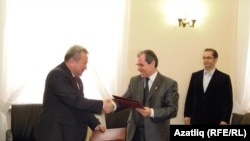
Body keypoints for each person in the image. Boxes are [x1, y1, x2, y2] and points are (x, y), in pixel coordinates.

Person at [34, 45, 114, 141]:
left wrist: (95, 124)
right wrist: (102, 105)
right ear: (72, 61)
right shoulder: (57, 75)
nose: (86, 67)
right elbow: (75, 101)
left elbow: (81, 106)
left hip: (71, 134)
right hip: (56, 134)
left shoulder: (78, 80)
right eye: (84, 63)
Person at [114, 49, 179, 141]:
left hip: (156, 135)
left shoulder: (169, 84)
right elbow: (125, 100)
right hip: (134, 134)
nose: (138, 68)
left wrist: (151, 112)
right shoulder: (134, 81)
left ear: (152, 63)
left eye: (141, 65)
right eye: (137, 65)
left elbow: (172, 110)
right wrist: (112, 105)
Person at [184, 48, 233, 125]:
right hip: (197, 118)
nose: (205, 60)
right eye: (204, 58)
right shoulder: (195, 76)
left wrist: (225, 119)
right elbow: (190, 96)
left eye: (209, 58)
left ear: (215, 60)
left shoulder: (224, 78)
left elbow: (227, 102)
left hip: (216, 119)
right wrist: (187, 115)